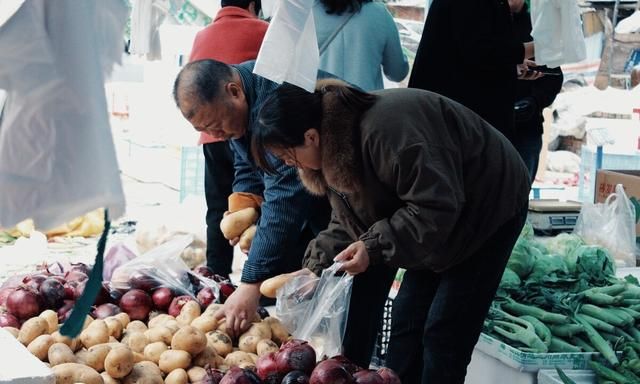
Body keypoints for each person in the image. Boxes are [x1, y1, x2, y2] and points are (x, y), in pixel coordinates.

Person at [252, 81, 530, 383]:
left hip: (487, 206)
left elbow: (436, 206)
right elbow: (349, 218)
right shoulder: (334, 149)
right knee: (406, 322)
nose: (289, 165)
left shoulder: (386, 135)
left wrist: (372, 248)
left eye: (287, 157)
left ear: (310, 136)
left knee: (444, 333)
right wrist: (316, 266)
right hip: (433, 215)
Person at [188, 0, 269, 278]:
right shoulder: (263, 30)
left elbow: (191, 85)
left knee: (219, 210)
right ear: (252, 4)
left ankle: (217, 277)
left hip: (211, 137)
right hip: (250, 129)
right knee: (261, 203)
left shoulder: (202, 35)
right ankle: (261, 276)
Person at [408, 0, 536, 140]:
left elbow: (471, 54)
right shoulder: (473, 4)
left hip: (460, 121)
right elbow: (481, 51)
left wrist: (510, 67)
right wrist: (535, 48)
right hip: (453, 123)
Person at [509, 0, 563, 183]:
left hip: (527, 127)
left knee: (519, 191)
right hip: (489, 124)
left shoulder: (538, 27)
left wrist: (534, 102)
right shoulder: (489, 24)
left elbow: (554, 75)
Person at [313, 0, 409, 91]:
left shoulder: (308, 12)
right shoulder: (380, 13)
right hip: (367, 103)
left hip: (321, 101)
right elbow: (397, 73)